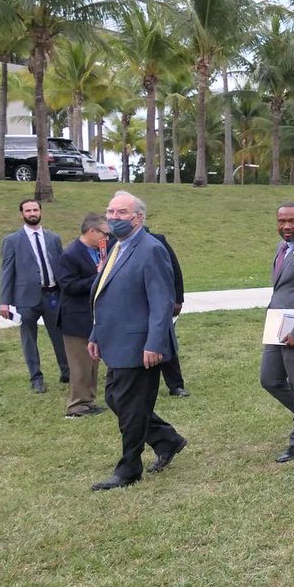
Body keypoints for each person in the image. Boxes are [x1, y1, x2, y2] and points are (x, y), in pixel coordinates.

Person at [88, 191, 188, 491]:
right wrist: (96, 333)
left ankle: (129, 469)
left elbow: (162, 301)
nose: (114, 218)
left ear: (138, 217)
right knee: (115, 399)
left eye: (121, 213)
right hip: (115, 341)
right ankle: (167, 439)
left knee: (131, 409)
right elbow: (105, 294)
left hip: (141, 344)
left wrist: (154, 344)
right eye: (110, 212)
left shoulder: (150, 249)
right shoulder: (118, 247)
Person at [260, 202, 294, 463]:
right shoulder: (283, 247)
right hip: (276, 327)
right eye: (282, 221)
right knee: (269, 380)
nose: (286, 226)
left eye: (292, 221)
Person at [0, 198, 70, 393]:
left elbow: (61, 266)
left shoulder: (53, 238)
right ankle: (36, 378)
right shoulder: (12, 240)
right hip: (26, 299)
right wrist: (4, 302)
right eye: (28, 210)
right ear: (22, 214)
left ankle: (67, 372)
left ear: (41, 212)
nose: (32, 213)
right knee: (29, 338)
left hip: (52, 295)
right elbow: (7, 271)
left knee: (59, 336)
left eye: (35, 209)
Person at [53, 213, 109, 418]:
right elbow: (68, 286)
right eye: (105, 233)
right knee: (80, 364)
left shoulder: (99, 251)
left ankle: (88, 401)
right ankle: (76, 406)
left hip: (93, 317)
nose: (107, 237)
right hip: (76, 319)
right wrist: (98, 277)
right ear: (92, 231)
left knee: (92, 361)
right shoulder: (70, 254)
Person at [146, 228, 190, 398]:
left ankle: (176, 385)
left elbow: (175, 270)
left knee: (166, 343)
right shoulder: (114, 244)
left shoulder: (157, 241)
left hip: (161, 303)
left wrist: (178, 299)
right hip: (134, 306)